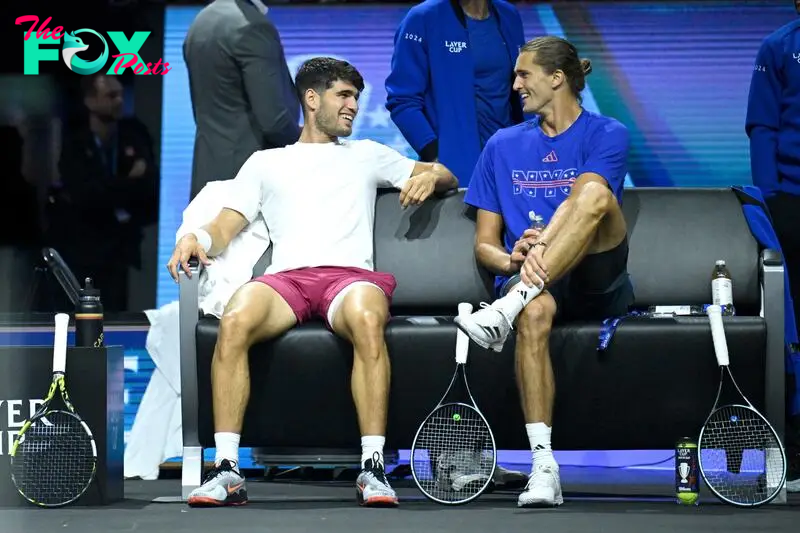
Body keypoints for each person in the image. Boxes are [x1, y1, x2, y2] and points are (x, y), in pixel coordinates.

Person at [167, 57, 458, 508]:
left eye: (356, 98)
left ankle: (373, 467)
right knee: (236, 316)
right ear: (311, 98)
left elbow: (445, 176)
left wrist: (434, 175)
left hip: (350, 280)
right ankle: (226, 469)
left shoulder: (367, 154)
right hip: (288, 283)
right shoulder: (266, 163)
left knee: (366, 317)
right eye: (344, 95)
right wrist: (194, 236)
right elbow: (224, 226)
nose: (353, 106)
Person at [454, 36, 633, 507]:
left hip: (596, 273)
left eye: (523, 74)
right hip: (534, 282)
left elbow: (592, 203)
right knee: (533, 313)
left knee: (592, 194)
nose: (514, 85)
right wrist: (514, 258)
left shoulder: (608, 132)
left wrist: (543, 248)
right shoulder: (502, 144)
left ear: (557, 79)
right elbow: (485, 247)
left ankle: (506, 307)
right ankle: (544, 467)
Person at [745, 1, 800, 492]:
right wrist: (772, 200)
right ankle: (794, 445)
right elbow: (762, 126)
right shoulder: (779, 46)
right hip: (792, 200)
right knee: (794, 322)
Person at [385, 0, 525, 187]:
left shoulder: (509, 14)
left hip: (511, 165)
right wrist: (434, 156)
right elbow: (402, 101)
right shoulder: (423, 17)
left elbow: (522, 89)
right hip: (458, 174)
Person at [51, 73, 159, 312]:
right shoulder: (74, 143)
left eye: (121, 94)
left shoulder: (135, 135)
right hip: (83, 252)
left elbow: (149, 190)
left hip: (124, 254)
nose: (119, 101)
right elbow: (84, 196)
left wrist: (108, 187)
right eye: (111, 96)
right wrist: (126, 183)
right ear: (90, 101)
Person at [183, 0, 301, 199]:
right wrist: (314, 141)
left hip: (206, 183)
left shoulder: (200, 23)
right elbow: (275, 122)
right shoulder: (253, 26)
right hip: (246, 188)